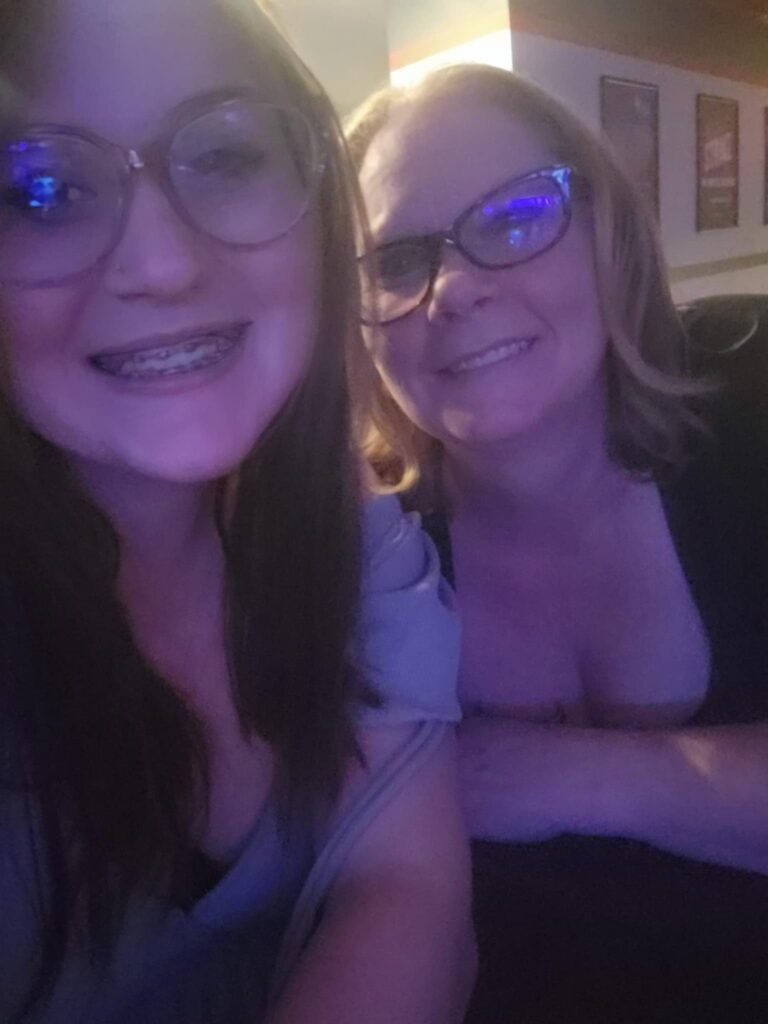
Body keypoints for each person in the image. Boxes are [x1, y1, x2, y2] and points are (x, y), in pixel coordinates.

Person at [0, 3, 474, 1022]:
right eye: (42, 190)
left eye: (221, 154)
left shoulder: (359, 538)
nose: (161, 264)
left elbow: (407, 887)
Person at [347, 64, 768, 1022]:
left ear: (607, 233)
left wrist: (573, 776)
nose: (454, 287)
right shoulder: (368, 564)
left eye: (514, 215)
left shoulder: (753, 402)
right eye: (397, 261)